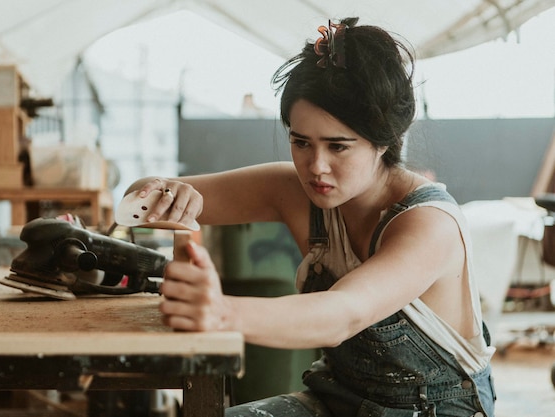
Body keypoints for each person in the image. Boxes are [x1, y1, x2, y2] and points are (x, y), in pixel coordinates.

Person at [125, 17, 495, 417]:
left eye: (338, 147)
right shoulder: (294, 191)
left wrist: (222, 311)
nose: (316, 166)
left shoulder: (428, 223)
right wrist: (167, 194)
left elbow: (343, 313)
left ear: (384, 139)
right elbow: (135, 200)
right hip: (337, 399)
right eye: (301, 142)